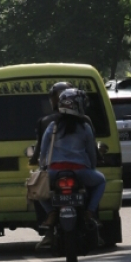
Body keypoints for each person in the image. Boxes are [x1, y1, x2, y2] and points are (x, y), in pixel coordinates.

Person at [40, 89, 106, 230]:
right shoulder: (85, 127)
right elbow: (91, 152)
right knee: (101, 181)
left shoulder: (52, 126)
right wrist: (92, 167)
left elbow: (43, 152)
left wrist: (42, 169)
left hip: (54, 173)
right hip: (81, 172)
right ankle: (89, 212)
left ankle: (51, 213)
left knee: (37, 185)